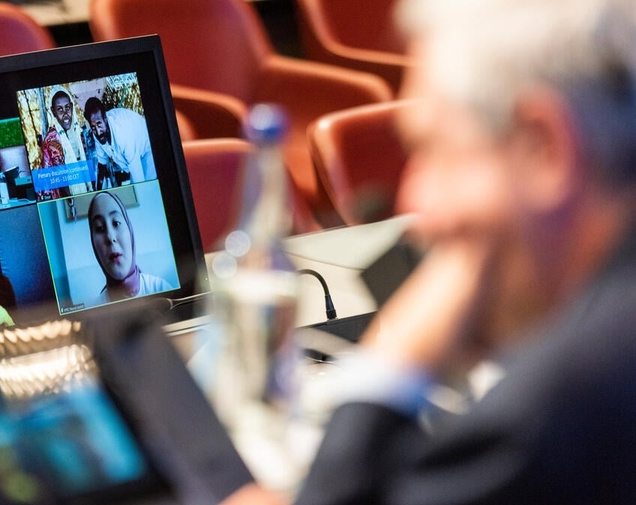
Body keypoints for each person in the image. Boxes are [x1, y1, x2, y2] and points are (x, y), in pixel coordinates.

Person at [219, 0, 636, 504]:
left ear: (544, 147)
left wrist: (391, 362)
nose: (415, 201)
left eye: (436, 151)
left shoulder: (549, 416)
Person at [88, 191, 172, 304]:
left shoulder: (161, 289)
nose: (110, 237)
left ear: (130, 231)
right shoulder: (94, 311)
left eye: (116, 223)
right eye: (99, 228)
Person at [84, 97, 156, 186]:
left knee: (146, 188)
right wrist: (97, 191)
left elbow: (139, 179)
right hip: (134, 154)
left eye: (99, 124)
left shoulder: (122, 134)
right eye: (93, 127)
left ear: (105, 119)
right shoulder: (97, 133)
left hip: (148, 149)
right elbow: (102, 164)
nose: (98, 132)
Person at [48, 87, 92, 194]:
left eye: (67, 107)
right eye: (60, 109)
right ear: (53, 112)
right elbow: (60, 181)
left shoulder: (77, 133)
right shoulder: (52, 140)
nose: (65, 113)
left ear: (72, 107)